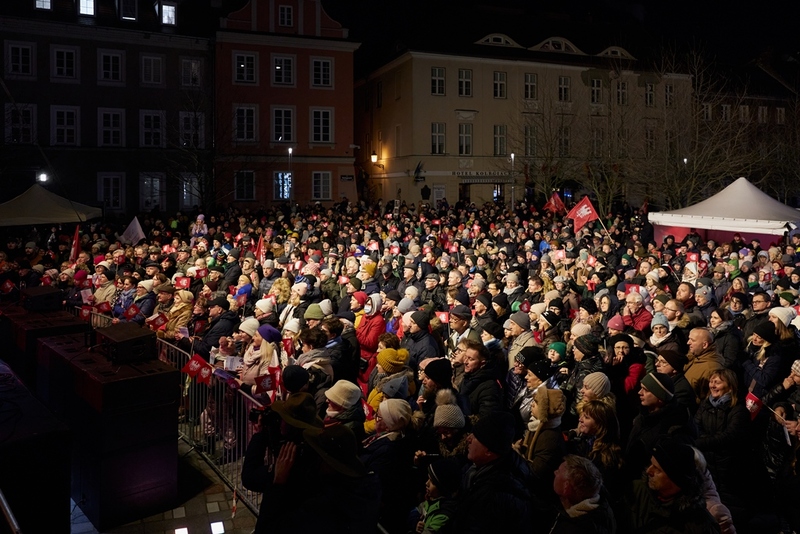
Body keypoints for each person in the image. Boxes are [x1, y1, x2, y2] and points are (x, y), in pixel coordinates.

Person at [452, 411, 532, 533]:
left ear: (489, 450)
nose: (468, 438)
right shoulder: (478, 470)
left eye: (476, 436)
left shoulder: (498, 494)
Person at [622, 438, 721, 533]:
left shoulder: (700, 526)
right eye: (650, 464)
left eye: (657, 469)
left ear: (676, 479)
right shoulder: (635, 491)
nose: (648, 471)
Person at [693, 368, 750, 519]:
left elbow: (729, 436)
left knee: (731, 507)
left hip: (729, 467)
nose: (712, 385)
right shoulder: (706, 405)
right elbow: (695, 426)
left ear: (730, 386)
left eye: (717, 382)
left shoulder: (738, 410)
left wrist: (701, 442)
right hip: (709, 464)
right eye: (711, 382)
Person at [545, 455, 616, 534]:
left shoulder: (572, 529)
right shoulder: (602, 506)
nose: (555, 472)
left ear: (566, 488)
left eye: (558, 471)